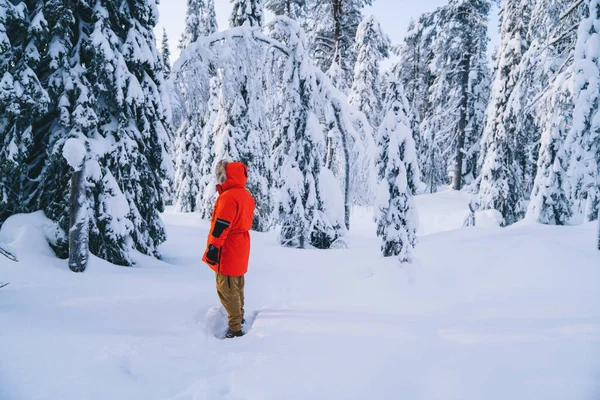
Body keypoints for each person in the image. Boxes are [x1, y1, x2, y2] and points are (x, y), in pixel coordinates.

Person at [203, 160, 256, 338]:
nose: (219, 178)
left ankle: (235, 328)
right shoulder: (245, 194)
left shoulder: (229, 197)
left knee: (226, 287)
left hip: (228, 247)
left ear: (227, 176)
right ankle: (239, 317)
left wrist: (213, 248)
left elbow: (221, 226)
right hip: (241, 244)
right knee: (237, 283)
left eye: (221, 175)